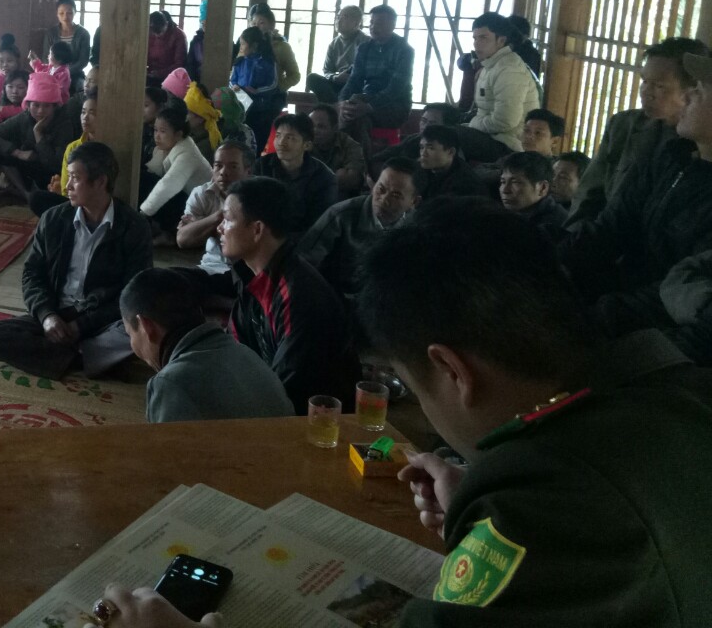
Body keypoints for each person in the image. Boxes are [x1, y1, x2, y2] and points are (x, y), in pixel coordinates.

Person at [95, 198, 712, 627]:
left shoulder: (551, 506)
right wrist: (482, 502)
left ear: (451, 371)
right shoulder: (670, 391)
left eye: (415, 385)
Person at [562, 51, 712, 345]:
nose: (690, 94)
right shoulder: (671, 157)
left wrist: (597, 318)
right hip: (617, 298)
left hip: (659, 336)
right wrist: (552, 261)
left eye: (703, 89)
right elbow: (612, 227)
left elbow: (682, 295)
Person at [0, 142, 152, 380]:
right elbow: (32, 274)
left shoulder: (132, 226)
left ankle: (70, 354)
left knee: (140, 329)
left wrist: (83, 325)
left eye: (75, 179)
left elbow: (134, 292)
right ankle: (82, 358)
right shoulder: (54, 219)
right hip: (58, 312)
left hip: (102, 319)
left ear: (100, 182)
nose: (67, 186)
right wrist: (47, 316)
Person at [219, 177, 361, 412]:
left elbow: (289, 391)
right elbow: (236, 354)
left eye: (227, 219)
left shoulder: (299, 296)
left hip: (319, 425)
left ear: (257, 229)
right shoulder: (253, 275)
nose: (220, 228)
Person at [121, 268, 293, 424]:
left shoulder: (171, 383)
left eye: (130, 334)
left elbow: (170, 456)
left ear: (145, 326)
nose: (132, 344)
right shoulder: (246, 353)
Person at [569, 37, 708, 225]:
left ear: (691, 89)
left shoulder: (701, 143)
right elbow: (589, 193)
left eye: (659, 86)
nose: (646, 92)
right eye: (644, 81)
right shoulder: (623, 125)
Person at [296, 156, 419, 300]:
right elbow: (303, 264)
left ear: (414, 201)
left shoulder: (417, 225)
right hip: (338, 299)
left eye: (396, 195)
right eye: (381, 189)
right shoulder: (341, 216)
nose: (384, 199)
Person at [458, 12, 541, 161]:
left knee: (445, 139)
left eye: (483, 38)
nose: (477, 43)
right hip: (492, 136)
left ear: (501, 41)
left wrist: (474, 123)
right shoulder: (491, 65)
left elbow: (505, 121)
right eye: (475, 38)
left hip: (508, 144)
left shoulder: (509, 69)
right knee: (437, 129)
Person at [0, 70, 77, 203]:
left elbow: (55, 164)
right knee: (0, 153)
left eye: (46, 106)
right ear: (28, 105)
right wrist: (17, 152)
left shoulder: (64, 124)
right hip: (30, 165)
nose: (40, 111)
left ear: (54, 107)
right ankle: (24, 193)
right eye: (36, 105)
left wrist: (38, 134)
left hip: (53, 172)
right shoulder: (24, 117)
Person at [338, 4, 415, 144]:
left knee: (359, 119)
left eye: (379, 23)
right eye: (371, 23)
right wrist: (343, 101)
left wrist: (369, 107)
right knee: (341, 112)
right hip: (366, 98)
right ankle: (342, 157)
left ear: (392, 25)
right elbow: (354, 80)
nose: (373, 27)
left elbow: (396, 88)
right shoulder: (364, 48)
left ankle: (359, 162)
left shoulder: (404, 50)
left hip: (396, 106)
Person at [251, 113, 337, 236]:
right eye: (278, 136)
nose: (281, 142)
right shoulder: (261, 166)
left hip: (304, 240)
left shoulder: (324, 178)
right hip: (264, 235)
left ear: (307, 145)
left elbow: (320, 223)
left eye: (290, 138)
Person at [176, 139, 252, 276]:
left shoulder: (259, 195)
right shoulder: (201, 194)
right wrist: (217, 217)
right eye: (218, 166)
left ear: (248, 171)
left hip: (250, 270)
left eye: (233, 166)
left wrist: (202, 226)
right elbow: (183, 240)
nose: (223, 172)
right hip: (212, 267)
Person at [140, 103, 212, 237]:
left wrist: (142, 214)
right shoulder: (164, 148)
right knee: (143, 178)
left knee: (148, 183)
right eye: (155, 130)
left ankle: (169, 234)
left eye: (163, 131)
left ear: (178, 134)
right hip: (184, 199)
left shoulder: (187, 154)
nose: (157, 136)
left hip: (200, 211)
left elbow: (168, 185)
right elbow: (153, 171)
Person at [30, 93, 99, 217]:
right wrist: (60, 189)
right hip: (74, 203)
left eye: (92, 113)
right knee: (36, 198)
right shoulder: (73, 147)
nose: (85, 117)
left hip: (97, 206)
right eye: (83, 112)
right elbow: (66, 189)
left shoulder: (108, 147)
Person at [366, 101, 461, 175]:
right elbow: (382, 156)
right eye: (423, 121)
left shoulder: (449, 153)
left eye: (432, 123)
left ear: (447, 127)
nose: (425, 126)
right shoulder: (413, 139)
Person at [228, 26, 279, 151]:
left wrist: (257, 91)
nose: (241, 47)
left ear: (254, 45)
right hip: (241, 106)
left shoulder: (268, 62)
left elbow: (273, 84)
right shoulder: (239, 62)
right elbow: (231, 80)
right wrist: (234, 87)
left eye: (243, 44)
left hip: (261, 109)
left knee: (257, 139)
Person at [499, 151, 568, 241]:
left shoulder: (553, 227)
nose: (505, 190)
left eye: (516, 182)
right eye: (503, 182)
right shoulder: (503, 216)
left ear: (542, 188)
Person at [306, 4, 368, 104]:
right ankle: (336, 106)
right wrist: (335, 77)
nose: (338, 21)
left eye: (345, 17)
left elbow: (363, 70)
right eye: (338, 17)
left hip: (354, 84)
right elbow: (327, 71)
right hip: (336, 83)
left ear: (356, 23)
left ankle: (334, 107)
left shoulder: (365, 41)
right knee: (312, 78)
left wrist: (348, 76)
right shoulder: (334, 44)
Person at [417, 125, 486, 201]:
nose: (423, 153)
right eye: (422, 147)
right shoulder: (423, 168)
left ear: (451, 152)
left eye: (431, 148)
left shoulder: (464, 185)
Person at [307, 103, 364, 196]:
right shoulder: (302, 140)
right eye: (311, 126)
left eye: (321, 126)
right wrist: (335, 177)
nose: (314, 131)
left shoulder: (349, 145)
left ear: (335, 128)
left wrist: (313, 178)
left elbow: (352, 179)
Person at [40, 0, 92, 90]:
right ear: (57, 14)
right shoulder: (51, 33)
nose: (65, 17)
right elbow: (45, 58)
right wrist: (56, 72)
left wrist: (66, 72)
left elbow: (83, 61)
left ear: (75, 12)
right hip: (53, 74)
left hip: (75, 75)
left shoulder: (83, 34)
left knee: (81, 89)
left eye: (69, 13)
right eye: (61, 13)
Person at [247, 2, 301, 96]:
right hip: (247, 93)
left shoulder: (282, 47)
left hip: (271, 97)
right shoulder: (245, 45)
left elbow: (295, 76)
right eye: (254, 23)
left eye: (261, 23)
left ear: (271, 25)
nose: (256, 27)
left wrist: (277, 89)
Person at [182, 80, 222, 163]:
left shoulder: (203, 147)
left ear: (200, 119)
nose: (183, 116)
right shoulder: (192, 134)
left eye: (187, 113)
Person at [146, 10, 187, 86]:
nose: (157, 36)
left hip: (169, 78)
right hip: (150, 74)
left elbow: (179, 64)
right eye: (153, 33)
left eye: (160, 32)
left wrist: (160, 73)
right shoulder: (149, 32)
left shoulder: (178, 35)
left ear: (166, 24)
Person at [184, 0, 207, 83]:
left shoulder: (222, 42)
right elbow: (190, 64)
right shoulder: (196, 41)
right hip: (197, 80)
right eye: (203, 24)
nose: (205, 27)